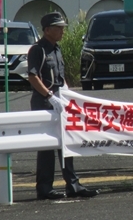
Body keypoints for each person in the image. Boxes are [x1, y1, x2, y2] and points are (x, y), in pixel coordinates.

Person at [27, 11, 99, 200]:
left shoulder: (57, 49)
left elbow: (59, 77)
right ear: (47, 30)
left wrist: (66, 92)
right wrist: (50, 96)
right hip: (44, 102)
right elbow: (33, 76)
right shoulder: (38, 50)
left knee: (66, 143)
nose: (62, 31)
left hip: (60, 102)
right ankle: (44, 188)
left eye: (62, 27)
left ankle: (73, 185)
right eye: (58, 28)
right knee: (47, 148)